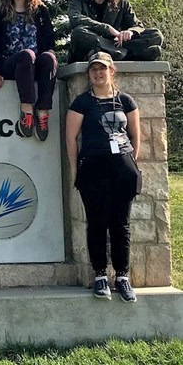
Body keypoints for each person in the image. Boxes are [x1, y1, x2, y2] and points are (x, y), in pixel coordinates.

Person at [66, 51, 141, 302]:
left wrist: (131, 162)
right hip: (93, 169)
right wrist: (75, 169)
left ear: (112, 71)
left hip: (122, 169)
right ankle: (100, 275)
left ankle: (122, 275)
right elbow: (71, 138)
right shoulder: (82, 103)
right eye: (93, 69)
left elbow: (135, 136)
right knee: (97, 223)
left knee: (121, 224)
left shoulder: (126, 101)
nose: (98, 73)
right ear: (89, 74)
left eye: (102, 68)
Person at [0, 0, 57, 141]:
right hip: (11, 65)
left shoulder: (41, 11)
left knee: (48, 57)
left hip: (35, 65)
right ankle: (26, 109)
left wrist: (51, 64)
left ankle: (42, 112)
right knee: (26, 55)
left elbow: (49, 43)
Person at [68, 0, 163, 63]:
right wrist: (107, 28)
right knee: (78, 33)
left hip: (116, 43)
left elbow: (137, 25)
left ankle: (115, 53)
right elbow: (75, 19)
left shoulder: (121, 1)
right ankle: (127, 54)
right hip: (91, 42)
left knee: (156, 35)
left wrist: (130, 32)